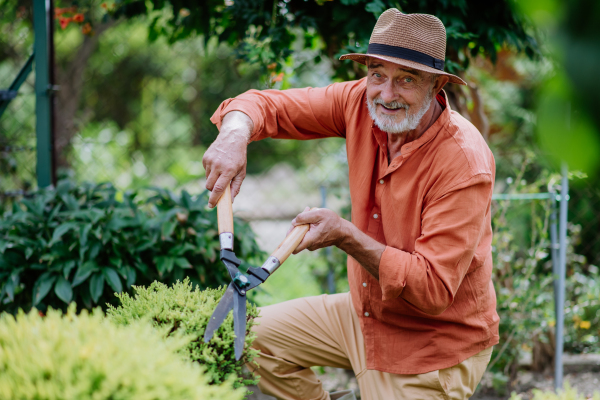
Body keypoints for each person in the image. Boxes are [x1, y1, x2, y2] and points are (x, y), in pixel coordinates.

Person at [202, 8, 499, 400]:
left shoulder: (463, 163)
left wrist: (346, 235)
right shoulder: (360, 102)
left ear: (436, 85)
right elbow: (267, 106)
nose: (386, 94)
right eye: (377, 74)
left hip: (431, 344)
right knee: (250, 337)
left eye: (406, 80)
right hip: (366, 313)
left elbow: (431, 290)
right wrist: (235, 133)